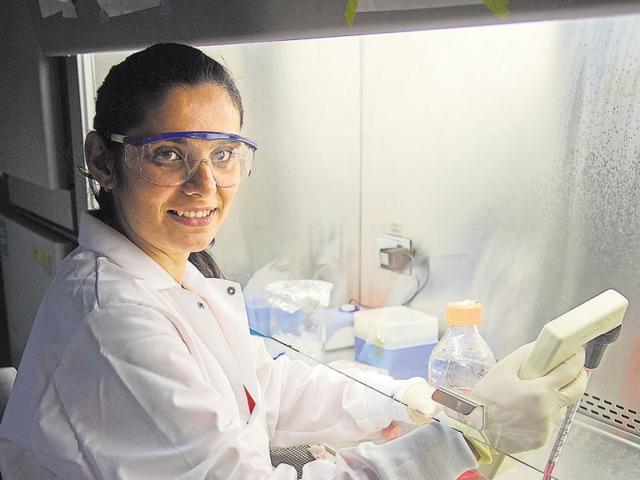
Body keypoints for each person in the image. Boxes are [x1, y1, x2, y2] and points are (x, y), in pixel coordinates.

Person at [0, 43, 587, 479]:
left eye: (224, 154)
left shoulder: (171, 274)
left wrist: (409, 400)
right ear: (103, 160)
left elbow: (266, 387)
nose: (205, 186)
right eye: (169, 154)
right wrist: (461, 440)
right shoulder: (114, 318)